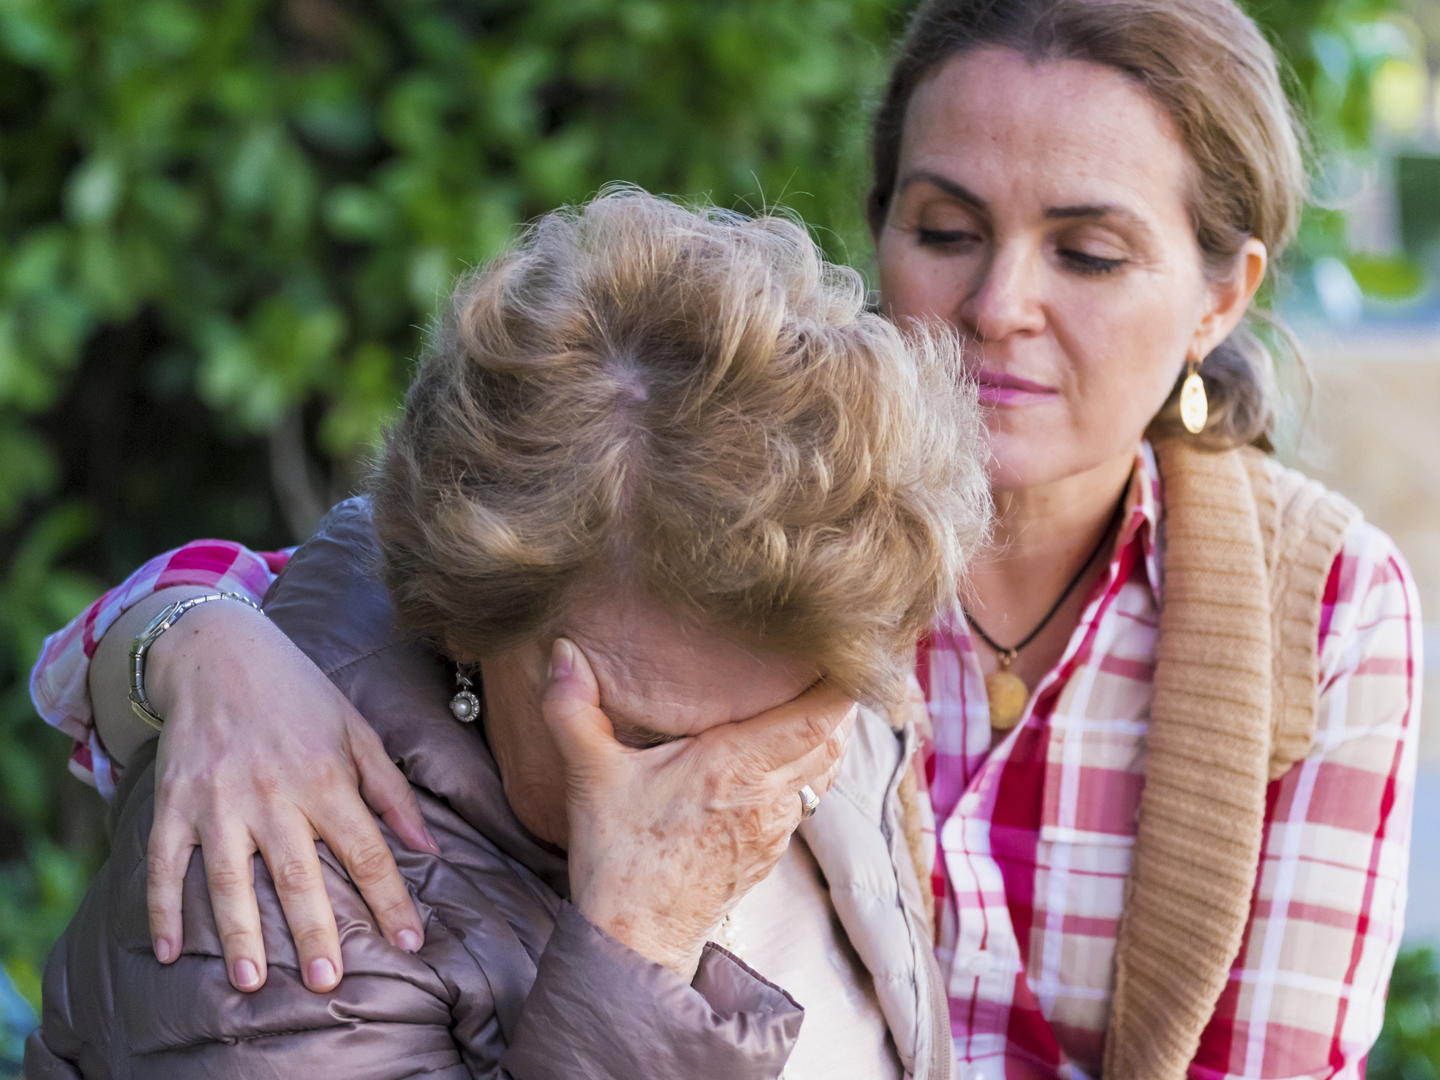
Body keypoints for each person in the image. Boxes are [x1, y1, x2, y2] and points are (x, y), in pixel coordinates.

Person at [29, 0, 1422, 1077]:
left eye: (1090, 253)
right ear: (880, 230)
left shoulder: (1321, 606)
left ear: (1220, 295)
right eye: (945, 228)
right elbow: (364, 584)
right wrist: (199, 645)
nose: (999, 304)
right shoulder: (764, 501)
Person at [24, 190, 988, 1078]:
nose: (738, 798)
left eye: (786, 727)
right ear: (464, 617)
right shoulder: (272, 884)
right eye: (646, 737)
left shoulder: (812, 632)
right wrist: (638, 948)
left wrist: (187, 631)